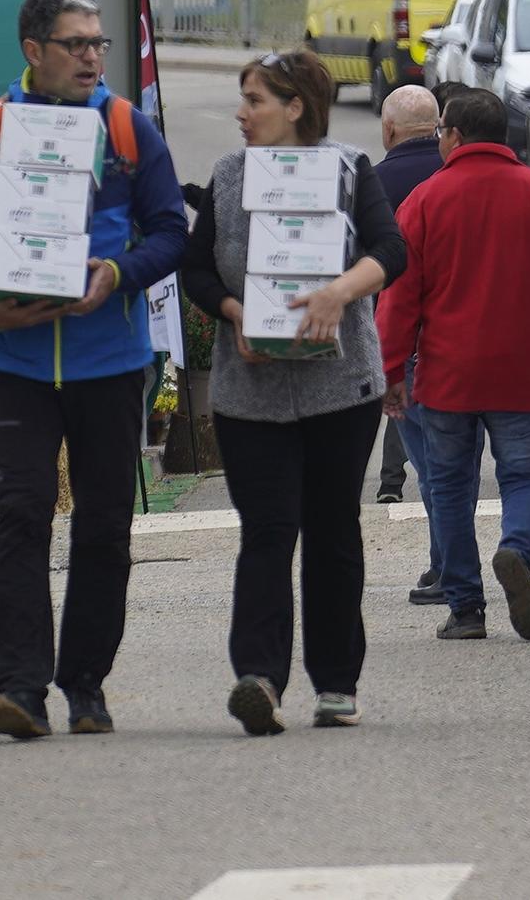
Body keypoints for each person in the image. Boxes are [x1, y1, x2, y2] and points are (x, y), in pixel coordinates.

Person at [0, 0, 188, 740]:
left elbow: (170, 229)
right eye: (76, 43)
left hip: (110, 363)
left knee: (106, 528)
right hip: (15, 363)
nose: (92, 56)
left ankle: (85, 685)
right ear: (33, 51)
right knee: (22, 515)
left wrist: (118, 275)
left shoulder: (127, 129)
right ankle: (19, 687)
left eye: (99, 42)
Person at [179, 51, 406, 735]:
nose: (242, 114)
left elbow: (390, 250)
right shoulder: (227, 175)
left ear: (296, 106)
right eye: (242, 100)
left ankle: (337, 683)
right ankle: (259, 677)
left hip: (341, 387)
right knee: (268, 531)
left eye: (255, 100)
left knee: (333, 531)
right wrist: (235, 311)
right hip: (251, 391)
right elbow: (195, 269)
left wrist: (340, 291)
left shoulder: (348, 167)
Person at [378, 89, 530, 641]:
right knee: (525, 476)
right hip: (520, 371)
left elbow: (401, 297)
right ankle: (516, 551)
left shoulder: (426, 201)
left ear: (451, 135)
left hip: (445, 376)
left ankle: (465, 609)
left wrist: (388, 371)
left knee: (451, 488)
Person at [370, 85, 450, 608]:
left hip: (403, 340)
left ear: (388, 130)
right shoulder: (454, 177)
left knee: (433, 467)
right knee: (454, 464)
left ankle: (448, 566)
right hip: (461, 341)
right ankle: (451, 562)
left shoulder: (371, 185)